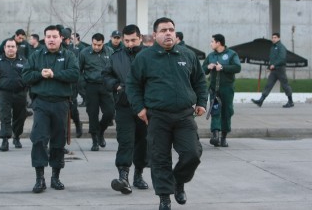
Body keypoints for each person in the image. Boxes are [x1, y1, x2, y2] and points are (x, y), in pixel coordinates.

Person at [126, 17, 208, 210]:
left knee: (193, 153)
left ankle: (178, 181)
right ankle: (164, 198)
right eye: (163, 30)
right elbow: (132, 84)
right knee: (160, 159)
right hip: (157, 116)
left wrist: (202, 102)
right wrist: (139, 108)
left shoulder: (187, 55)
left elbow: (200, 81)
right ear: (155, 35)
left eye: (171, 29)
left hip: (184, 116)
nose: (168, 33)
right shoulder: (145, 58)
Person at [22, 25, 79, 193]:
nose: (51, 39)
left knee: (58, 141)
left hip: (61, 104)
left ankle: (56, 177)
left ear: (61, 38)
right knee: (39, 140)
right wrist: (40, 73)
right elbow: (25, 76)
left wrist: (54, 74)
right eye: (48, 36)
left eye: (55, 36)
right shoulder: (36, 56)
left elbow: (74, 75)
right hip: (41, 104)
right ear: (44, 38)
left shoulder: (68, 56)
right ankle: (40, 179)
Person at [102, 24, 148, 195]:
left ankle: (138, 175)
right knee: (125, 140)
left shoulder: (149, 56)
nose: (130, 44)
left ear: (140, 38)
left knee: (143, 142)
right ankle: (124, 178)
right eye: (126, 41)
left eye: (133, 40)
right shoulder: (115, 57)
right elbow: (106, 76)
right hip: (124, 106)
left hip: (145, 106)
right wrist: (116, 86)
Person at [202, 34, 241, 147]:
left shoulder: (231, 54)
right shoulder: (211, 56)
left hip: (227, 89)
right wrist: (207, 67)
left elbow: (237, 67)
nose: (211, 43)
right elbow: (201, 71)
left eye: (212, 41)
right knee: (215, 111)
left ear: (218, 43)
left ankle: (223, 137)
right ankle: (215, 135)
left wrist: (223, 68)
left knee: (227, 112)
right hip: (214, 89)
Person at [0, 39, 27, 151]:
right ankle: (5, 140)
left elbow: (28, 75)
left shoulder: (23, 60)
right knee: (5, 117)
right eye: (8, 46)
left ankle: (17, 136)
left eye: (13, 46)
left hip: (20, 93)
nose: (10, 48)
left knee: (20, 117)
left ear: (16, 48)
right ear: (4, 48)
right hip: (5, 93)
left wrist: (26, 86)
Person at [79, 33, 114, 151]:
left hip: (106, 86)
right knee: (92, 114)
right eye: (94, 44)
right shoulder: (84, 53)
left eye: (99, 45)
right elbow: (79, 70)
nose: (97, 47)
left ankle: (100, 132)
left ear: (103, 43)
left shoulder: (109, 51)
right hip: (91, 86)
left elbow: (114, 69)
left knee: (110, 112)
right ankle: (95, 140)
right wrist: (83, 85)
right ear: (91, 42)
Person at [251, 33, 294, 108]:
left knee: (285, 85)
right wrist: (269, 66)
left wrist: (275, 64)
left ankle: (290, 101)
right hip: (274, 70)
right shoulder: (273, 47)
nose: (273, 39)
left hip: (280, 69)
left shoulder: (281, 47)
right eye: (272, 37)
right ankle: (261, 101)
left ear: (279, 38)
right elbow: (272, 59)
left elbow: (282, 58)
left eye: (275, 37)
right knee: (268, 85)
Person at [71, 32, 89, 107]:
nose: (71, 40)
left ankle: (86, 100)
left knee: (81, 87)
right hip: (72, 69)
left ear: (76, 38)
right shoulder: (71, 46)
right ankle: (73, 101)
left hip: (80, 70)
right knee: (74, 87)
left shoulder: (82, 47)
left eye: (72, 38)